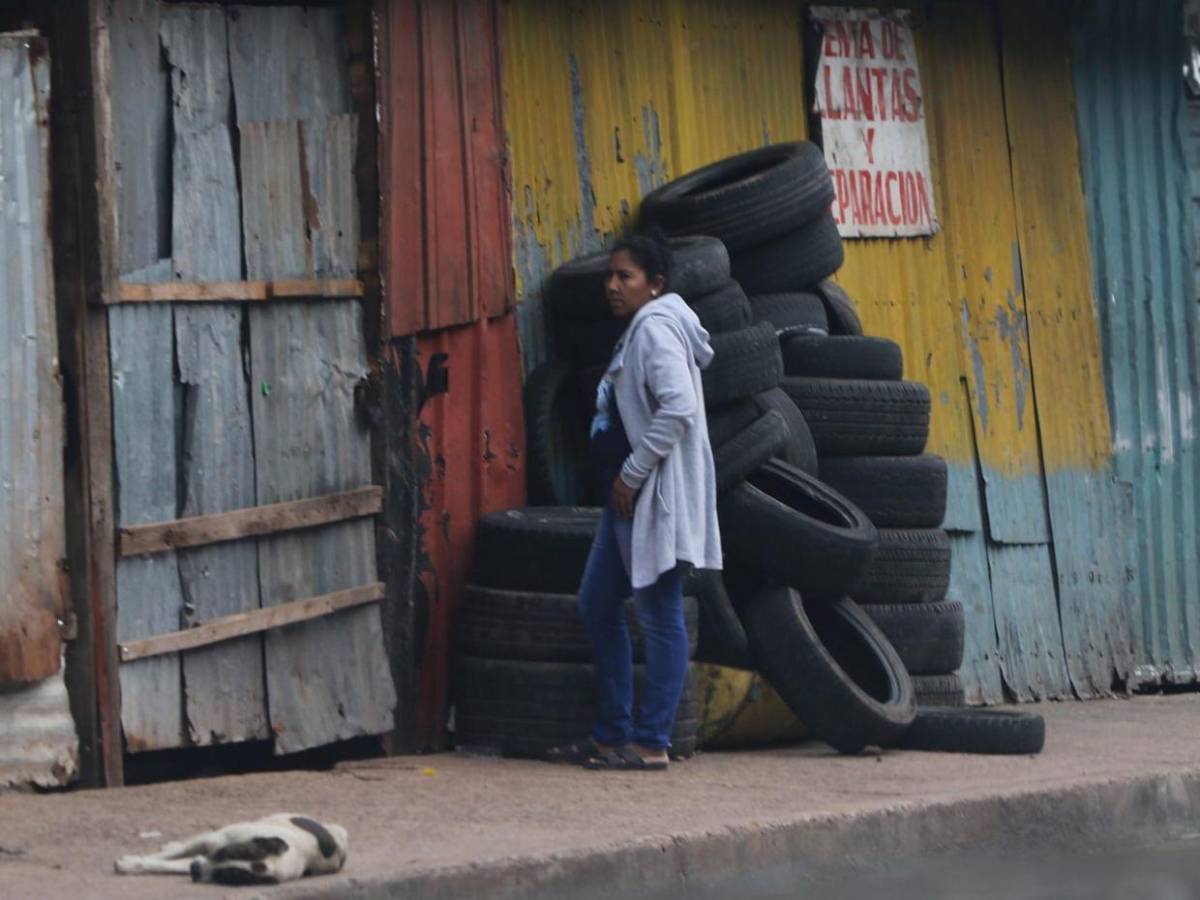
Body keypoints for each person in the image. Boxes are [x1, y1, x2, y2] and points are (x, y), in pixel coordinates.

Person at [550, 231, 722, 770]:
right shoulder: (639, 331)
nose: (612, 286)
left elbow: (678, 408)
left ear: (656, 284)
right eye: (610, 275)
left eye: (625, 276)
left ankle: (650, 744)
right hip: (624, 500)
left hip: (648, 496)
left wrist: (632, 472)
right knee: (597, 603)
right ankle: (610, 733)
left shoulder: (654, 333)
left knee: (660, 615)